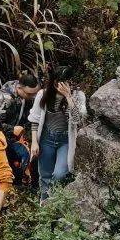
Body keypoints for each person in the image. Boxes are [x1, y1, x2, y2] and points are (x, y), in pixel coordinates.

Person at [29, 67, 87, 200]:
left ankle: (54, 202)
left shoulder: (79, 96)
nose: (61, 86)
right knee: (45, 175)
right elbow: (35, 119)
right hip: (46, 138)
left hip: (65, 140)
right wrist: (34, 142)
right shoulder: (43, 94)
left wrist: (68, 97)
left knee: (60, 174)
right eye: (58, 82)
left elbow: (78, 120)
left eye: (65, 82)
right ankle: (44, 206)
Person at [0, 73, 41, 186]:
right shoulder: (4, 99)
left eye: (35, 93)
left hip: (16, 136)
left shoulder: (25, 94)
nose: (33, 97)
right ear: (19, 88)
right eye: (30, 94)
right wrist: (11, 129)